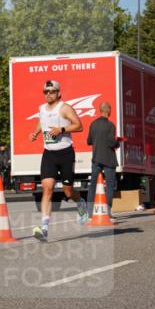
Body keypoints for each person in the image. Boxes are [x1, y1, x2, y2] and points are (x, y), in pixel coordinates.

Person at [28, 80, 86, 241]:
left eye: (52, 91)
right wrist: (35, 133)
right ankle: (44, 228)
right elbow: (42, 121)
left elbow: (79, 126)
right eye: (45, 92)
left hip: (65, 153)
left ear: (58, 93)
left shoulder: (65, 108)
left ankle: (80, 202)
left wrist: (61, 129)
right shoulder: (42, 108)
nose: (48, 94)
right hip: (49, 154)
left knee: (68, 191)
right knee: (47, 189)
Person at [86, 102, 120, 211]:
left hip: (96, 159)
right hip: (109, 160)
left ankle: (90, 212)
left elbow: (89, 141)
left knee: (93, 186)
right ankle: (108, 211)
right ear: (108, 111)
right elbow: (111, 142)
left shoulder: (93, 124)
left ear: (100, 110)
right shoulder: (110, 125)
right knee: (110, 186)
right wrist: (117, 143)